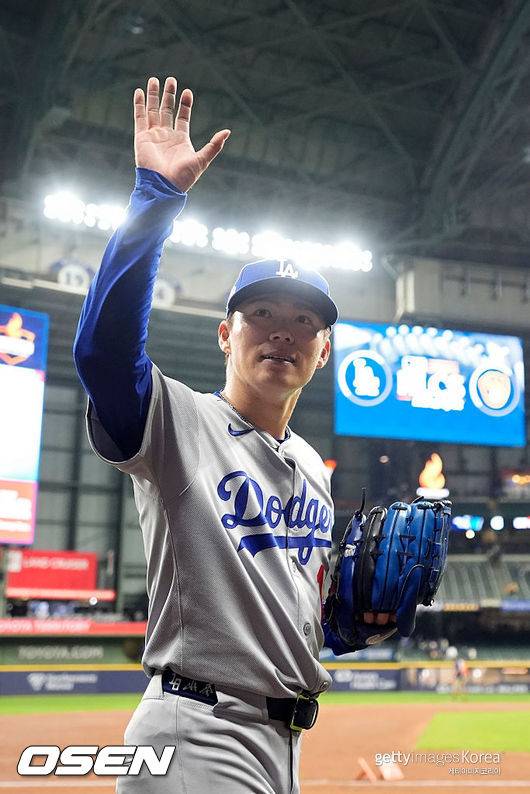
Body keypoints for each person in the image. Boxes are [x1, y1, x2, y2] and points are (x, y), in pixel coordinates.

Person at [73, 75, 393, 794]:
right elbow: (101, 354)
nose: (283, 330)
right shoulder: (178, 422)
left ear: (324, 350)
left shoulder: (312, 464)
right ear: (225, 335)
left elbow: (295, 615)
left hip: (281, 742)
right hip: (195, 732)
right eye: (261, 315)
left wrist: (351, 626)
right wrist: (156, 198)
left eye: (305, 321)